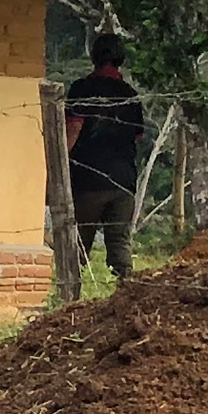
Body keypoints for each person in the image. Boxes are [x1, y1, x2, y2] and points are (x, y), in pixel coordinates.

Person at [65, 30, 147, 287]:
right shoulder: (130, 95)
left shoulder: (82, 88)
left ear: (94, 57)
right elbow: (136, 137)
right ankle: (127, 294)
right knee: (119, 243)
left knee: (78, 242)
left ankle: (68, 296)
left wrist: (58, 164)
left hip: (89, 178)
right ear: (121, 58)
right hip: (123, 181)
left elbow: (73, 129)